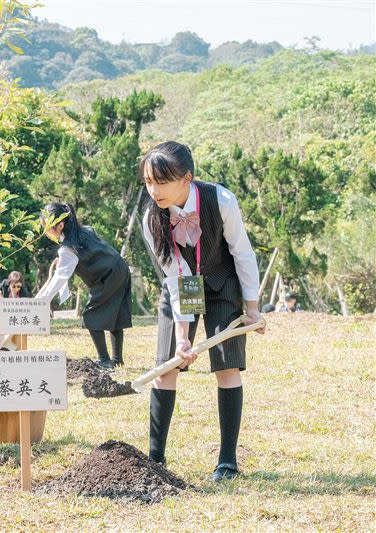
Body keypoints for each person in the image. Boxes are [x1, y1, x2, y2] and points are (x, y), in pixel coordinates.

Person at [139, 140, 265, 482]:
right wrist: (183, 338)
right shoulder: (151, 218)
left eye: (161, 181)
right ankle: (155, 461)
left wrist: (252, 308)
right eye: (148, 181)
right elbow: (177, 275)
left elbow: (243, 253)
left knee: (227, 367)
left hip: (224, 284)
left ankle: (227, 462)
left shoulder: (221, 200)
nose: (154, 190)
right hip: (182, 286)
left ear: (187, 179)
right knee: (167, 368)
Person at [37, 204, 133, 370]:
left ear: (60, 225)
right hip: (119, 267)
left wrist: (41, 301)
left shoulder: (68, 248)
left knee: (91, 315)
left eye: (47, 227)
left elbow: (60, 277)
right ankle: (117, 360)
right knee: (115, 315)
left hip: (108, 275)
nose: (45, 231)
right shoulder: (83, 231)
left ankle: (104, 360)